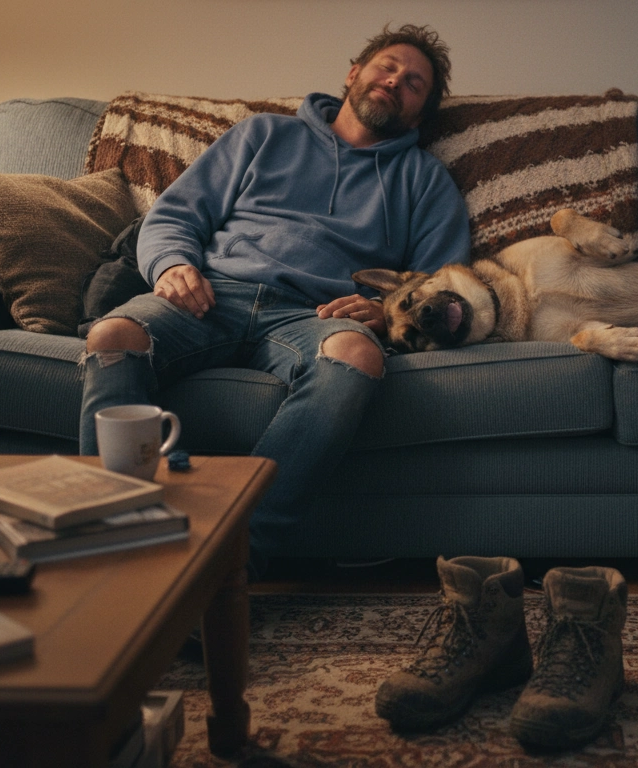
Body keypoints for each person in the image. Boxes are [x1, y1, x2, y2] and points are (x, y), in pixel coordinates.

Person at [78, 24, 471, 570]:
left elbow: (442, 284)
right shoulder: (264, 134)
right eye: (387, 66)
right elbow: (173, 216)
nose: (395, 81)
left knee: (356, 356)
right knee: (114, 335)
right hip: (211, 293)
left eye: (413, 84)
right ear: (354, 73)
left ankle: (233, 557)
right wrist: (172, 266)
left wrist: (385, 313)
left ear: (419, 113)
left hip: (314, 316)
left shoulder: (425, 180)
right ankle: (105, 541)